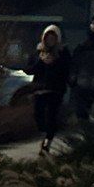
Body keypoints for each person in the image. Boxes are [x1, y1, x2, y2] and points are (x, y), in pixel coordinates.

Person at [25, 23, 71, 154]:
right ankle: (42, 134)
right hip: (39, 89)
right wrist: (41, 61)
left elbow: (66, 70)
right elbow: (30, 69)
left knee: (52, 116)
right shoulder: (38, 52)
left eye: (53, 38)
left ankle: (47, 142)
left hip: (55, 90)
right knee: (38, 115)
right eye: (48, 38)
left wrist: (54, 63)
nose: (50, 41)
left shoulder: (63, 53)